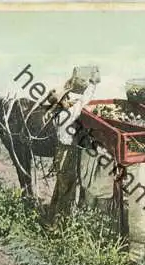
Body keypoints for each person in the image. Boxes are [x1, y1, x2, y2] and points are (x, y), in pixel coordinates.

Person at [45, 70, 101, 230]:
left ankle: (51, 219)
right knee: (68, 188)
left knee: (60, 186)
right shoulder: (67, 114)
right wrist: (93, 83)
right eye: (66, 98)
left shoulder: (58, 115)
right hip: (67, 152)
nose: (69, 99)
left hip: (61, 152)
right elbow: (83, 101)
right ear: (61, 102)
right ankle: (59, 225)